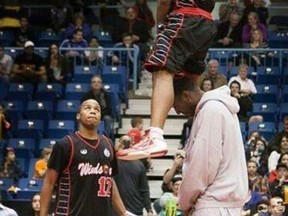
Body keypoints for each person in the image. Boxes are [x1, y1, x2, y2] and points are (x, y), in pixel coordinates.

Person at [117, 0, 217, 161]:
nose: (176, 110)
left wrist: (161, 25)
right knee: (190, 78)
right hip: (207, 23)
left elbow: (164, 2)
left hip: (184, 17)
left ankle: (155, 135)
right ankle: (203, 125)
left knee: (161, 68)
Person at [172, 76, 248, 215]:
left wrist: (184, 201)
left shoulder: (211, 110)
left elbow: (202, 166)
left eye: (175, 105)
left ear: (186, 96)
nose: (177, 111)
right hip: (223, 205)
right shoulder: (218, 107)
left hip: (213, 205)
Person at [40, 99, 129, 216]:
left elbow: (109, 181)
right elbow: (49, 183)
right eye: (87, 108)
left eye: (96, 109)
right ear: (78, 115)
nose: (93, 111)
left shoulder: (108, 144)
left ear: (100, 117)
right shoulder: (65, 144)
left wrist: (123, 212)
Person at [114, 135, 153, 216]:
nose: (126, 145)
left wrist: (149, 209)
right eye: (123, 143)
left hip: (135, 209)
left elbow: (144, 189)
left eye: (128, 143)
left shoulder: (139, 164)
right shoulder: (112, 163)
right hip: (115, 209)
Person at [81, 75, 114, 139]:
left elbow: (109, 109)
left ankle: (105, 139)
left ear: (101, 85)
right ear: (91, 84)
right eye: (94, 82)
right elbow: (83, 108)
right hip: (90, 115)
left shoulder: (106, 95)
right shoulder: (86, 96)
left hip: (103, 115)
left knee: (107, 118)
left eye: (98, 82)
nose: (96, 84)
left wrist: (99, 114)